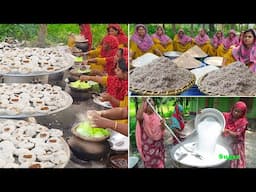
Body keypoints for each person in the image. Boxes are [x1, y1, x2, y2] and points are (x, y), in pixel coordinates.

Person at [136, 98, 165, 168]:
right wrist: (143, 102)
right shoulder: (144, 117)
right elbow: (138, 117)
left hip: (158, 147)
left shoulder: (157, 116)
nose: (153, 107)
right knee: (150, 164)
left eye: (153, 105)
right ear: (146, 106)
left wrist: (163, 124)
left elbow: (162, 130)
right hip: (148, 149)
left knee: (160, 164)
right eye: (150, 105)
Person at [223, 101, 248, 168]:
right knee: (225, 159)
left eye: (239, 112)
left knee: (236, 161)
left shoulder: (243, 122)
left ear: (243, 113)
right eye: (235, 110)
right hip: (226, 143)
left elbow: (237, 134)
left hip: (237, 146)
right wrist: (202, 112)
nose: (236, 113)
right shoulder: (226, 116)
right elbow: (216, 115)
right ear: (232, 109)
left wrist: (228, 131)